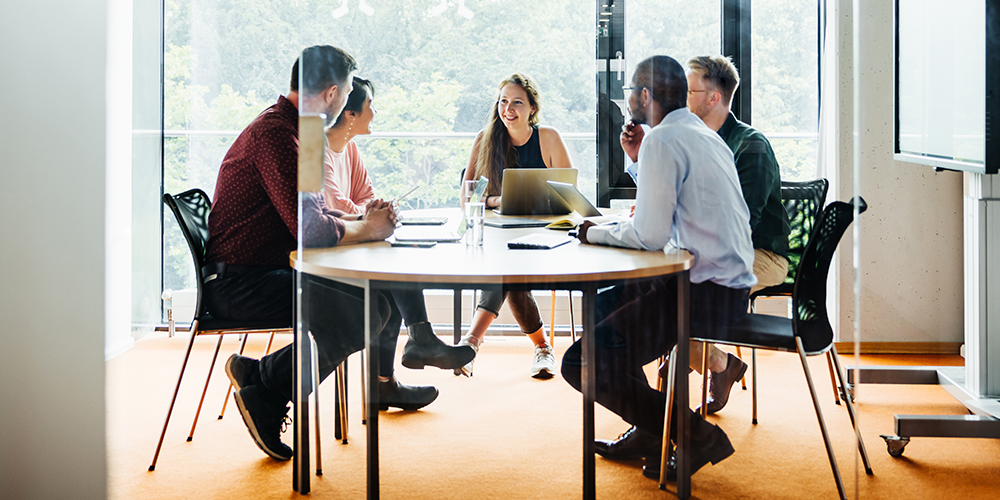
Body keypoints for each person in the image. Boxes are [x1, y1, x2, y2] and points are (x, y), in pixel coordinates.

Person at [202, 45, 474, 461]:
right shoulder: (276, 135)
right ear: (331, 93)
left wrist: (364, 221)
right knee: (366, 312)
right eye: (348, 93)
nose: (348, 101)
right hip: (240, 283)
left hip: (263, 270)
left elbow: (315, 213)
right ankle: (267, 385)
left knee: (376, 303)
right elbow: (309, 230)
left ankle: (265, 377)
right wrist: (368, 228)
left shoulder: (301, 131)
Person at [560, 55, 757, 481]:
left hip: (705, 294)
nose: (627, 98)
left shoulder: (665, 141)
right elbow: (665, 220)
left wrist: (594, 233)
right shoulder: (700, 135)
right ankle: (653, 430)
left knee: (580, 364)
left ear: (646, 96)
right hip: (718, 284)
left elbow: (649, 236)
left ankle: (696, 437)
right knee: (601, 309)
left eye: (630, 90)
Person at [457, 72, 573, 379]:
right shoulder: (485, 140)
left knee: (506, 272)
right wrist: (497, 202)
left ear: (532, 108)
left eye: (517, 102)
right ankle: (542, 348)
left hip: (544, 238)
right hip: (498, 238)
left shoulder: (547, 137)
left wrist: (512, 200)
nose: (508, 109)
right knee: (508, 273)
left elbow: (569, 197)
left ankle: (470, 342)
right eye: (503, 101)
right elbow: (468, 198)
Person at [322, 76, 376, 215]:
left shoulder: (350, 147)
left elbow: (368, 197)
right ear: (351, 114)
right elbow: (337, 208)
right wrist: (371, 214)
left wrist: (371, 212)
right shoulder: (318, 152)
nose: (375, 112)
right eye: (370, 105)